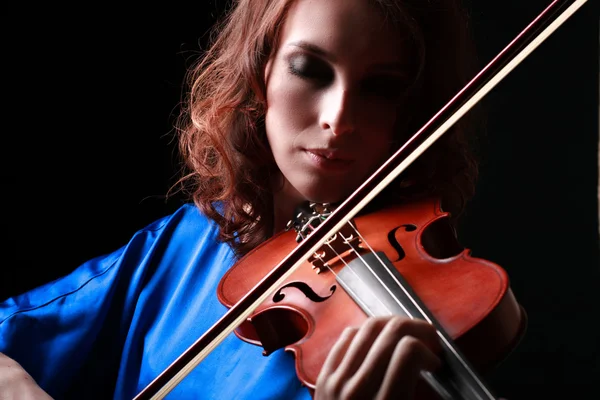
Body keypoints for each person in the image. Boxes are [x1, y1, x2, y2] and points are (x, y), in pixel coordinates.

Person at [0, 0, 486, 398]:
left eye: (381, 87)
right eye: (309, 69)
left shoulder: (416, 300)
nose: (338, 118)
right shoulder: (184, 246)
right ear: (261, 73)